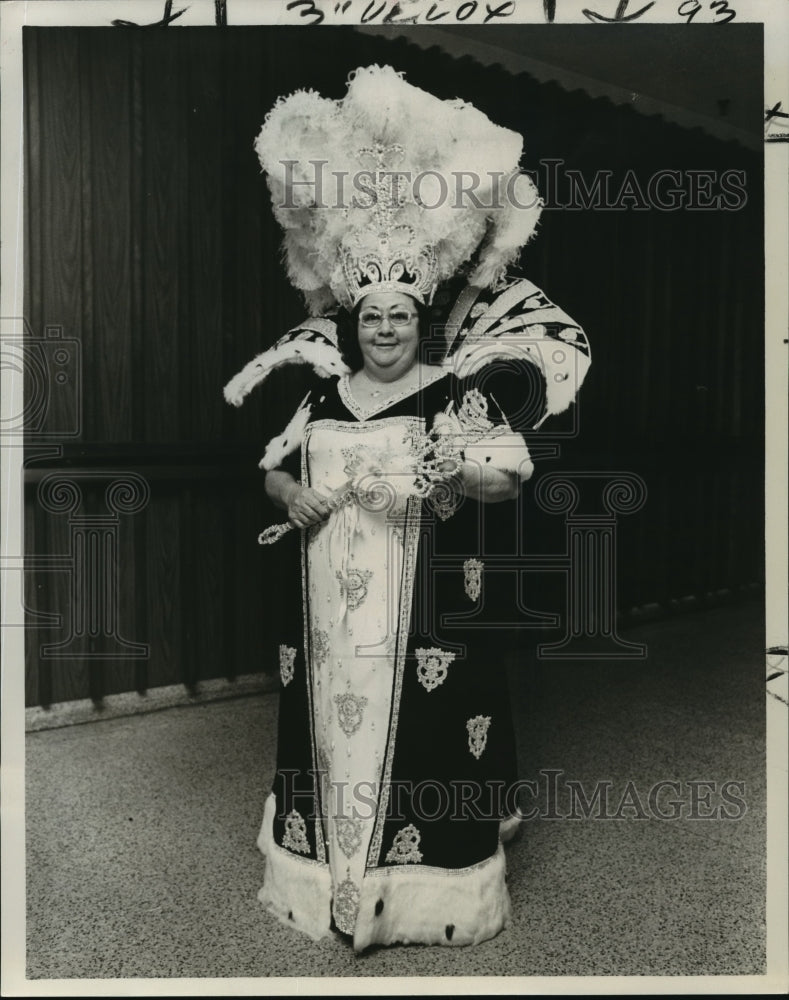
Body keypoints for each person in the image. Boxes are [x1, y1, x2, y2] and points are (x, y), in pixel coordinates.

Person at [224, 65, 590, 951]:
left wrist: (449, 478)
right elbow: (270, 473)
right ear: (354, 321)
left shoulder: (454, 395)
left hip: (428, 624)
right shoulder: (319, 396)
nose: (383, 328)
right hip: (326, 629)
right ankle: (326, 890)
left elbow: (507, 479)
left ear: (418, 316)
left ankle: (422, 902)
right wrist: (293, 492)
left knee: (429, 745)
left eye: (398, 314)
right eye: (371, 315)